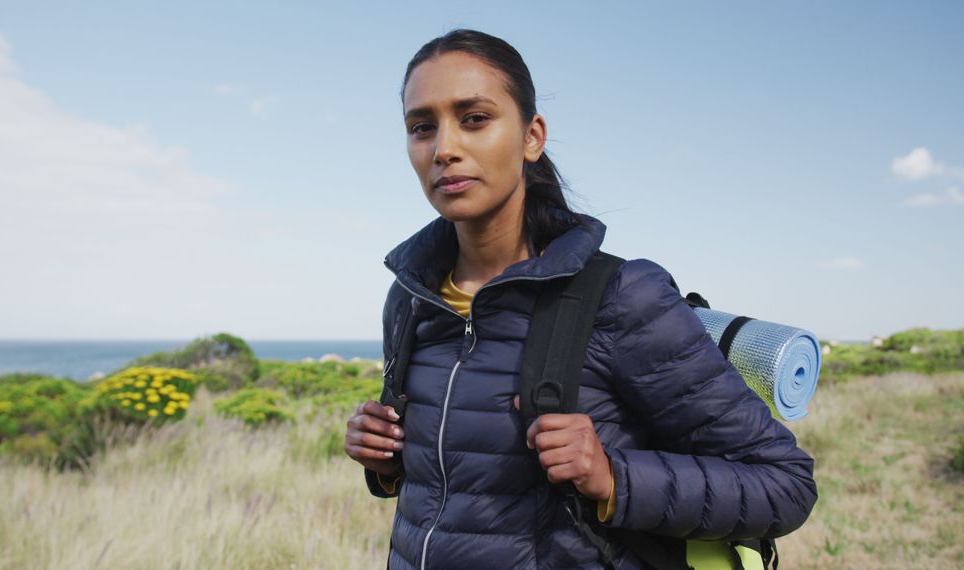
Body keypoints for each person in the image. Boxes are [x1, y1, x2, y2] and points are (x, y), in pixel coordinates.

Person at [344, 29, 817, 570]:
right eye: (421, 127)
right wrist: (386, 459)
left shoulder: (620, 298)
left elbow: (786, 484)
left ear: (531, 137)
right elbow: (455, 492)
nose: (445, 148)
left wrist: (613, 476)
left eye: (474, 118)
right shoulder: (410, 300)